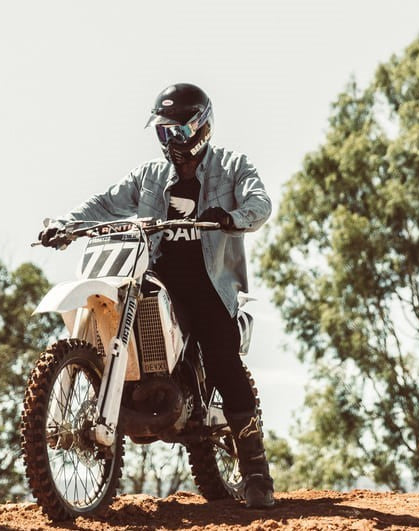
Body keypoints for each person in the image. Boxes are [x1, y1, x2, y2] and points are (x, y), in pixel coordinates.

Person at [38, 82, 274, 509]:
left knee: (223, 359)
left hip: (208, 282)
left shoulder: (231, 166)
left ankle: (256, 470)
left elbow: (261, 202)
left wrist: (233, 217)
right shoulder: (148, 177)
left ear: (200, 128)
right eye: (163, 133)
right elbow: (105, 203)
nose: (171, 142)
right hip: (154, 273)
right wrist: (66, 225)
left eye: (177, 132)